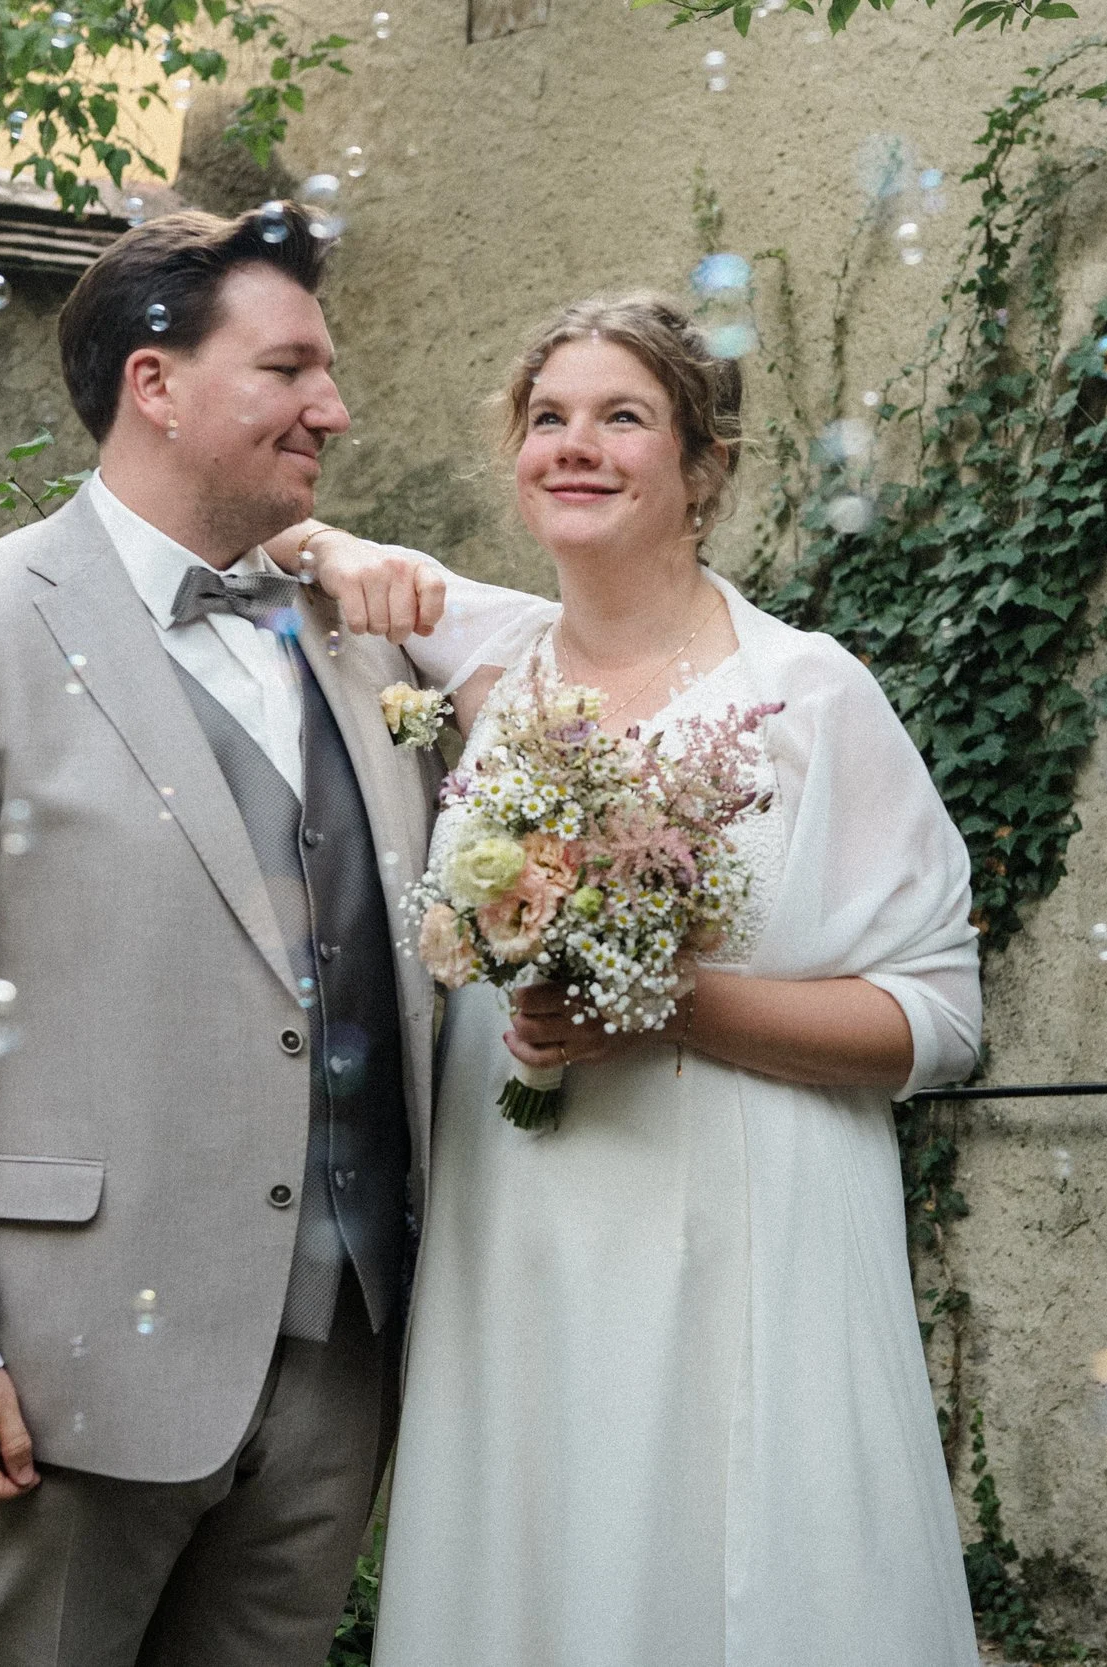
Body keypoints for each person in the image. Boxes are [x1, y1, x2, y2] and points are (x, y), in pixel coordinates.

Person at [297, 294, 985, 1666]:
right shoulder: (488, 667)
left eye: (624, 417)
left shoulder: (809, 694)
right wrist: (333, 541)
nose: (576, 446)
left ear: (704, 465)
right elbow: (263, 539)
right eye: (547, 418)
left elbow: (940, 1018)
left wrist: (669, 1004)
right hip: (528, 1237)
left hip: (744, 1239)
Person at [0, 203, 444, 1664]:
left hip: (346, 1353)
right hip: (69, 1352)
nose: (332, 408)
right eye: (289, 370)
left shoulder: (368, 637)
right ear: (154, 381)